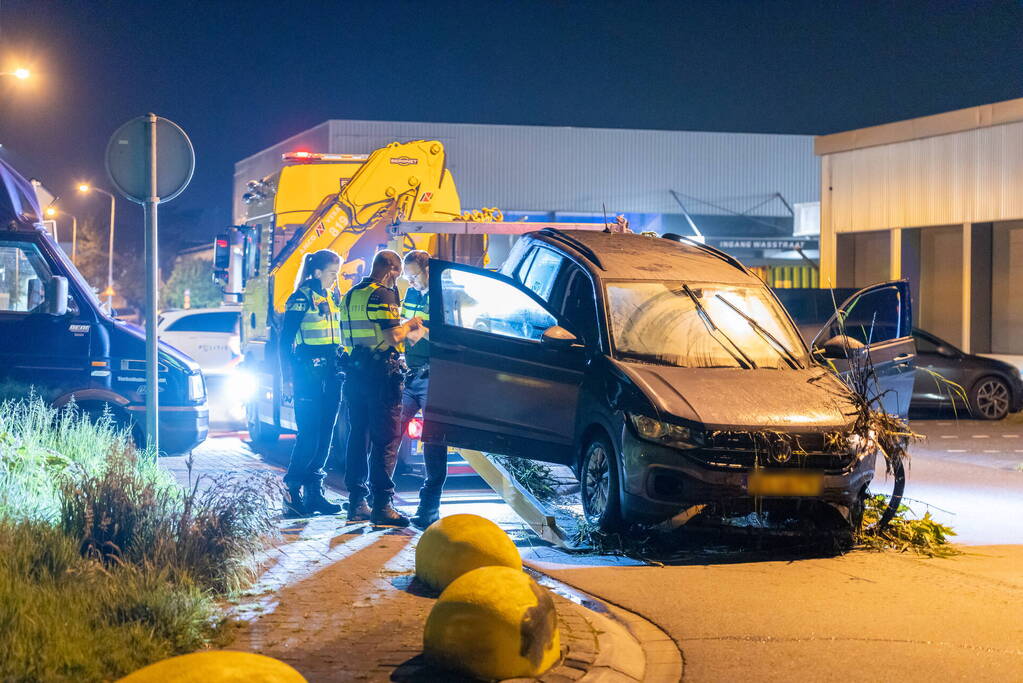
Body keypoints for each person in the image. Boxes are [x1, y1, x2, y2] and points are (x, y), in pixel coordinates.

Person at [340, 249, 423, 527]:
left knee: (358, 437)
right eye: (398, 275)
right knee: (386, 440)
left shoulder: (352, 294)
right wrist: (412, 324)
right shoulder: (383, 294)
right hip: (381, 376)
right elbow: (393, 335)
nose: (398, 281)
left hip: (355, 373)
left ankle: (356, 503)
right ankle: (383, 505)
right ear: (391, 270)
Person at [278, 249, 345, 517]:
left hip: (332, 373)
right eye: (331, 273)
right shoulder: (300, 299)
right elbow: (284, 342)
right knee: (309, 434)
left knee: (326, 434)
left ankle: (314, 493)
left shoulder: (330, 297)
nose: (334, 279)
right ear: (317, 272)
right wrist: (287, 380)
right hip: (307, 373)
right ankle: (292, 492)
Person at [399, 250, 448, 528]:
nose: (411, 282)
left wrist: (425, 330)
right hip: (409, 374)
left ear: (428, 269)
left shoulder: (444, 295)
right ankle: (379, 499)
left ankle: (428, 508)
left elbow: (451, 333)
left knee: (433, 442)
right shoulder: (411, 295)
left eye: (414, 276)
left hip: (434, 375)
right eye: (407, 277)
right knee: (390, 434)